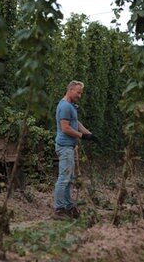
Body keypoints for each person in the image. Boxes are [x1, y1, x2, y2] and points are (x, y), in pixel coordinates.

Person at [53, 80, 97, 220]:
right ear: (70, 90)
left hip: (69, 147)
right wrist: (82, 136)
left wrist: (89, 134)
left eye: (81, 93)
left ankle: (68, 206)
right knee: (64, 178)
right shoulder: (65, 106)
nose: (80, 95)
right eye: (78, 92)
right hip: (65, 147)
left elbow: (75, 123)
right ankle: (59, 209)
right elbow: (66, 128)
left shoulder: (70, 106)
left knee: (69, 179)